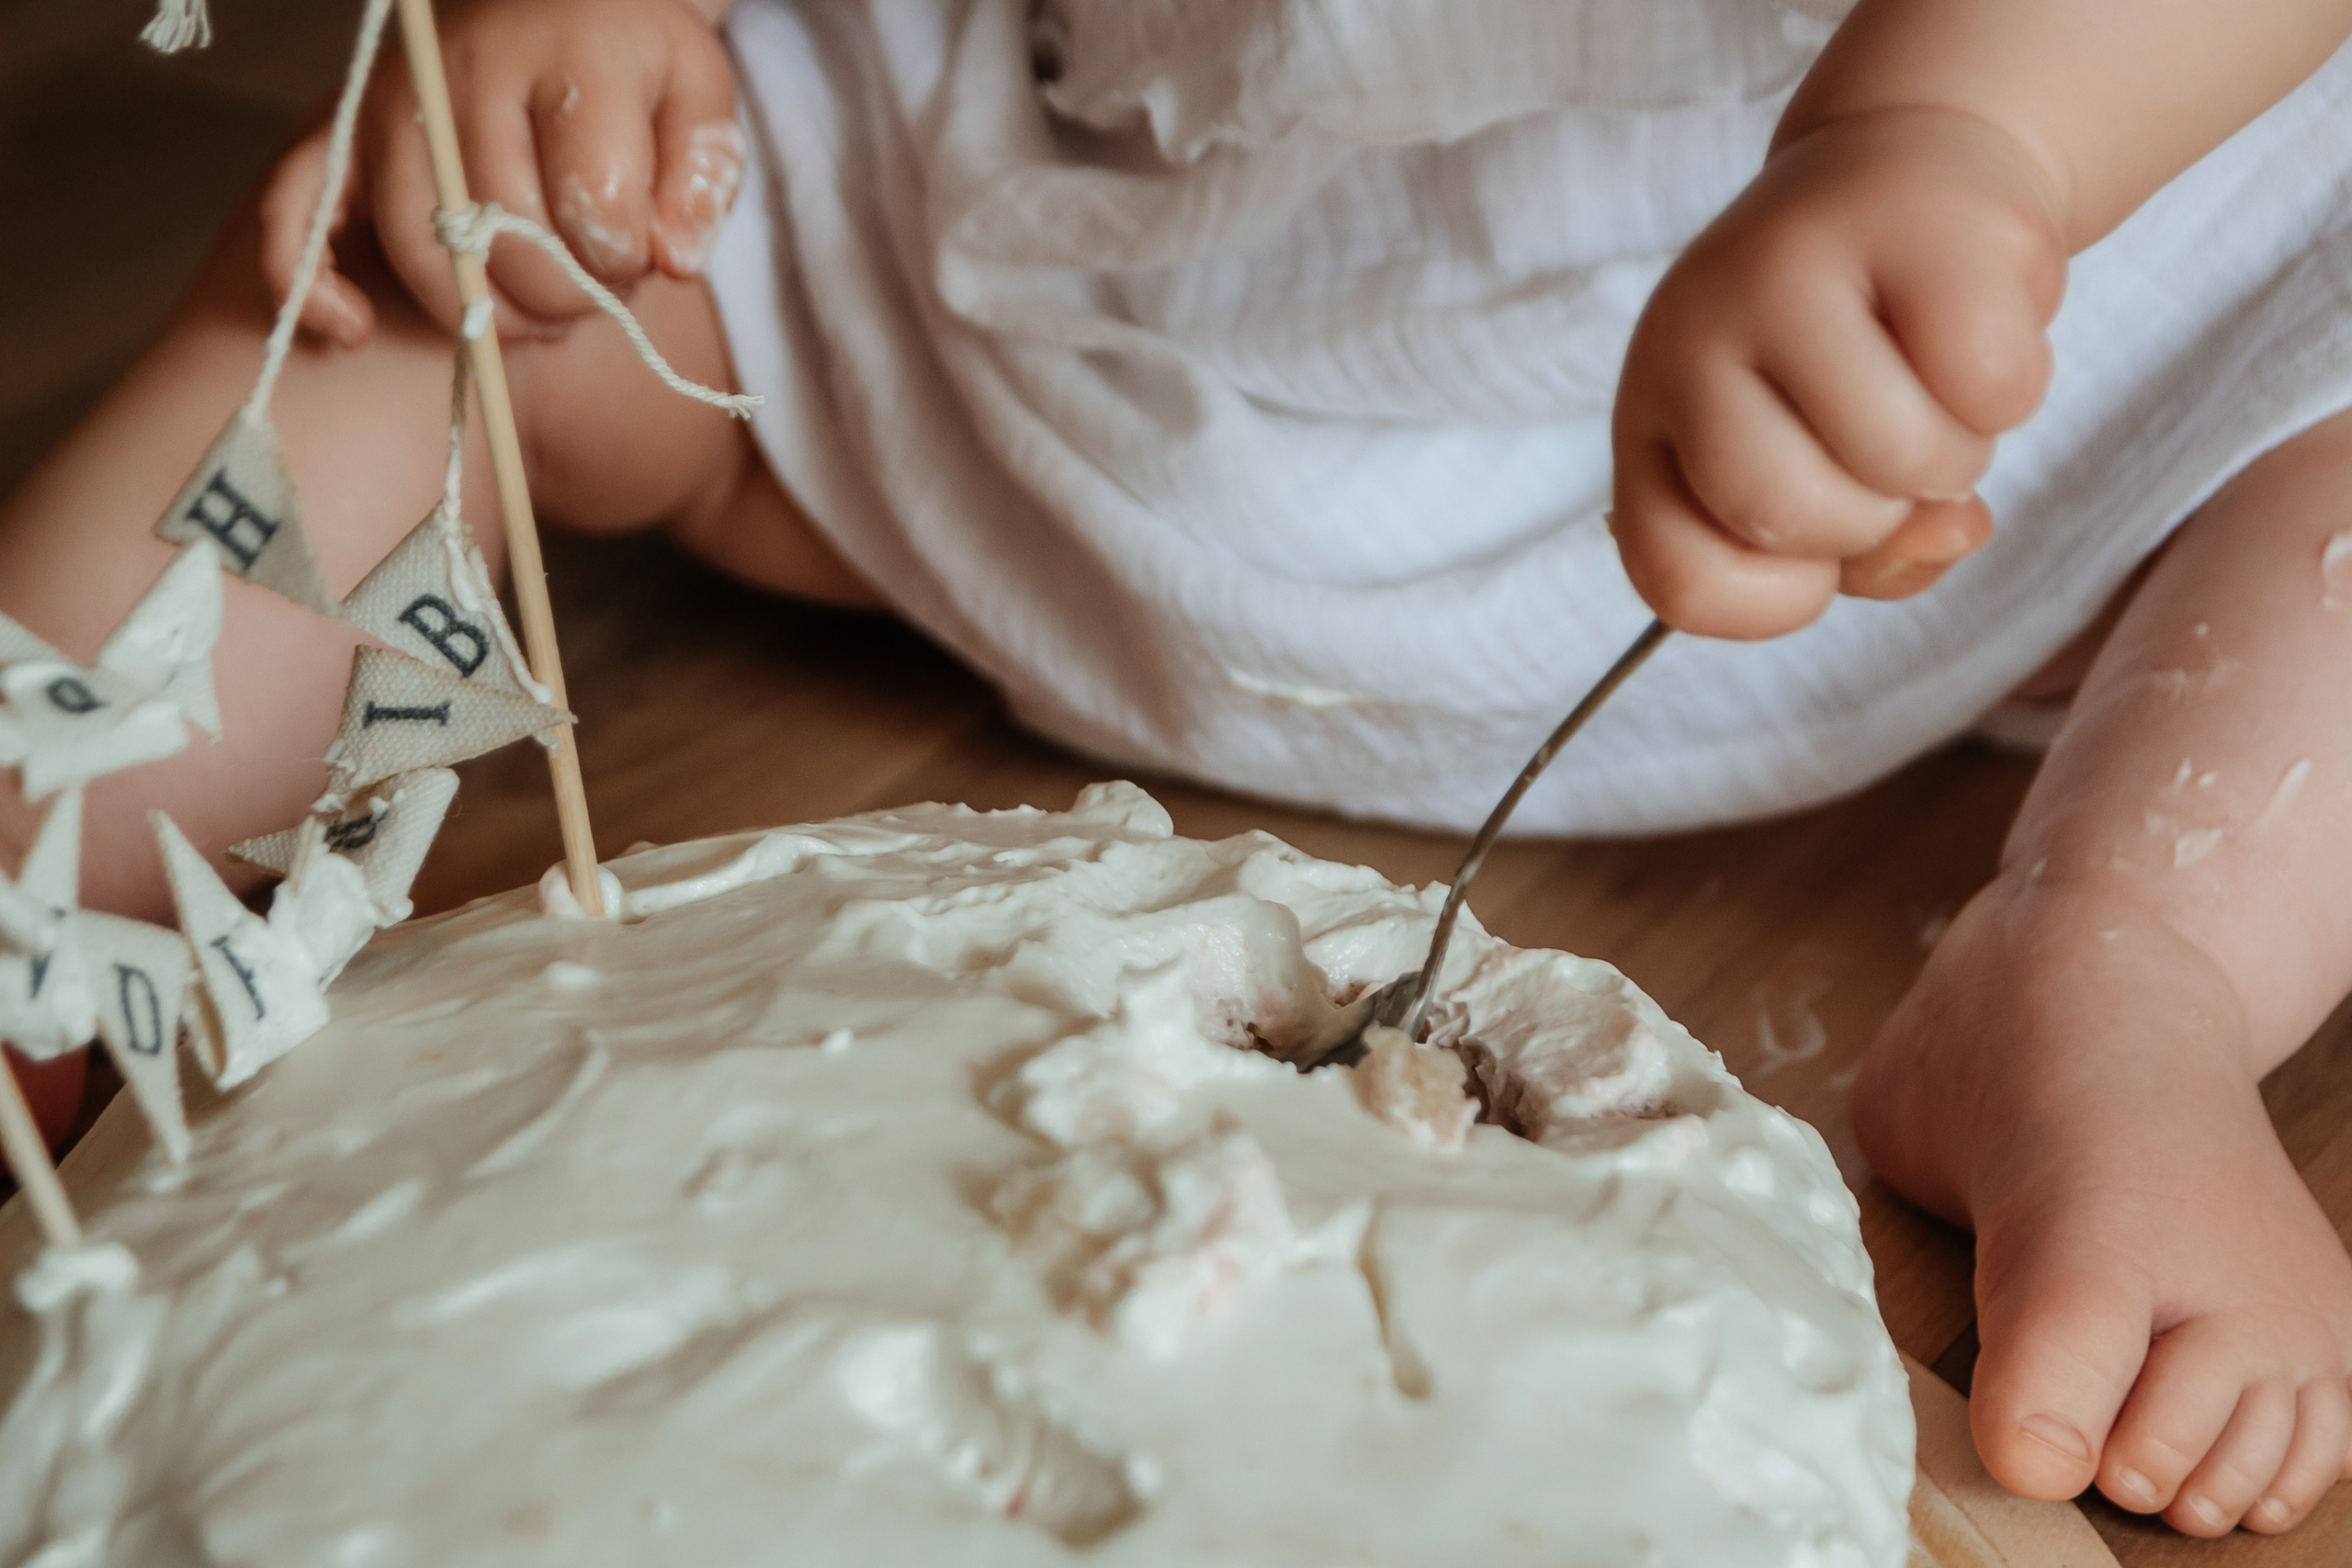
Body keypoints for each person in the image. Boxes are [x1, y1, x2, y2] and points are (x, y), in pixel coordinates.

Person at [7, 0, 2352, 1537]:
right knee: (418, 256)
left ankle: (2125, 947)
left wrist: (1969, 131)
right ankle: (40, 874)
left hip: (1983, 352)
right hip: (1066, 243)